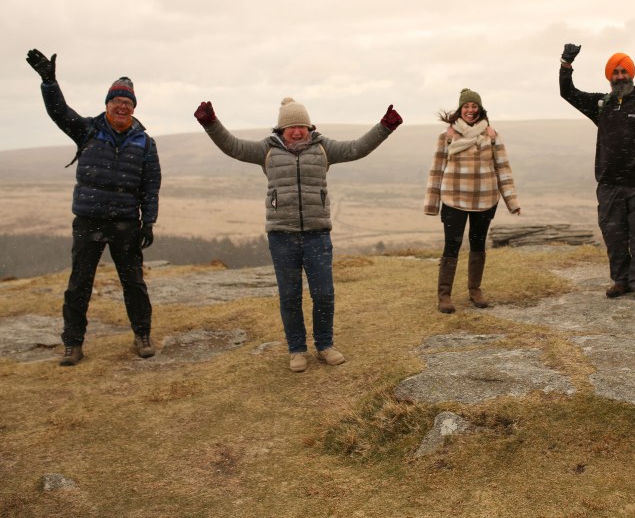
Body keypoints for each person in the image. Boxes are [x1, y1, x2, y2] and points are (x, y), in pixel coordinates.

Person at [194, 97, 402, 371]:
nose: (296, 131)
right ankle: (297, 350)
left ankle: (325, 345)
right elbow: (232, 146)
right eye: (290, 127)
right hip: (282, 235)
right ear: (281, 129)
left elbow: (357, 148)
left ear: (309, 127)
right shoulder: (266, 150)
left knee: (324, 294)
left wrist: (384, 127)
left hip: (317, 234)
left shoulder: (323, 147)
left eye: (301, 126)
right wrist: (210, 123)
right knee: (290, 296)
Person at [26, 49, 161, 366]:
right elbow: (59, 111)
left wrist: (149, 222)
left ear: (133, 109)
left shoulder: (145, 142)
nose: (122, 108)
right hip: (88, 220)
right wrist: (49, 82)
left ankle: (142, 336)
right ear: (107, 105)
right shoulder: (87, 129)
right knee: (79, 284)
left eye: (127, 104)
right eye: (117, 102)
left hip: (126, 223)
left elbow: (150, 186)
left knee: (134, 284)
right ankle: (73, 344)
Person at [559, 45, 635, 302]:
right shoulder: (602, 105)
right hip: (609, 184)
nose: (620, 76)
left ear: (631, 75)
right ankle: (621, 280)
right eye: (616, 72)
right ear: (609, 76)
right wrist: (566, 65)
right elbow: (567, 93)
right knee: (613, 235)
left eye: (624, 71)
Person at [424, 88, 521, 313]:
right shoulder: (446, 135)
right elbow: (436, 168)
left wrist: (512, 202)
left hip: (485, 198)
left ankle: (475, 290)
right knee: (452, 245)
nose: (470, 110)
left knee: (478, 244)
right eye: (466, 106)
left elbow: (503, 168)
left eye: (474, 106)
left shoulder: (491, 134)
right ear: (460, 109)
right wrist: (431, 203)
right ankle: (444, 295)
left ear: (480, 109)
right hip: (453, 198)